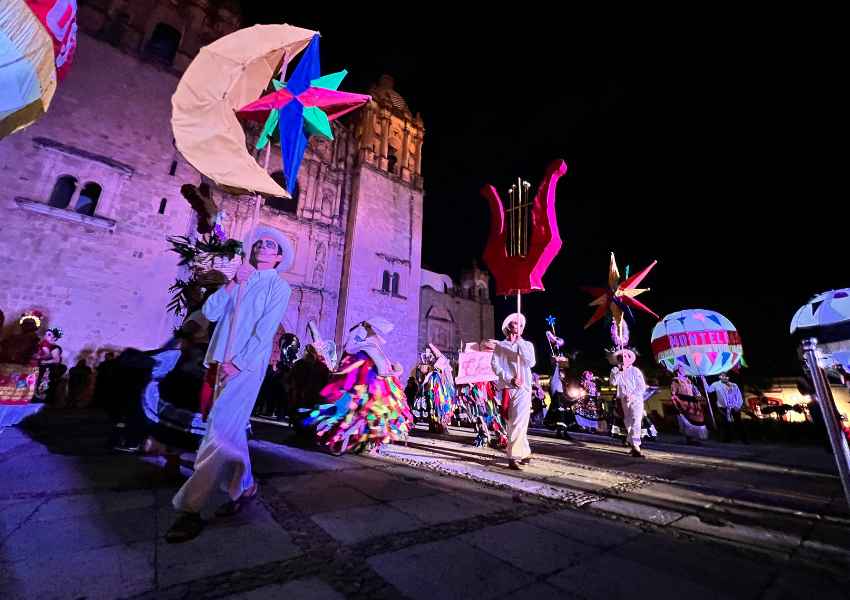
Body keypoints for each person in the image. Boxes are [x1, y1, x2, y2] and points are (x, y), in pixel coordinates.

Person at [167, 226, 292, 543]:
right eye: (260, 243)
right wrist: (233, 283)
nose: (263, 246)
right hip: (217, 361)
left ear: (279, 257)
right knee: (229, 431)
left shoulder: (279, 287)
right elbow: (209, 312)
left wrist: (239, 363)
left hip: (244, 368)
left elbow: (265, 332)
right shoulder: (240, 279)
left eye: (271, 245)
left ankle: (190, 508)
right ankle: (246, 487)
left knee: (218, 431)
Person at [302, 317, 412, 455]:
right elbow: (382, 371)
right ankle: (344, 439)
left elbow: (380, 369)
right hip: (361, 389)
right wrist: (396, 372)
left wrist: (393, 372)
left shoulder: (368, 349)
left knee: (360, 415)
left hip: (365, 390)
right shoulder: (368, 349)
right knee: (354, 414)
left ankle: (351, 440)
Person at [489, 313, 536, 470]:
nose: (519, 326)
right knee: (512, 421)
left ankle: (514, 455)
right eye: (516, 323)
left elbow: (531, 361)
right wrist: (510, 379)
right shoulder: (501, 346)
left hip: (523, 388)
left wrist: (519, 343)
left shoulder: (527, 345)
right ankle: (525, 451)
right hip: (508, 388)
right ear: (508, 326)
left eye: (521, 325)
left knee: (519, 421)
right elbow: (495, 365)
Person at [610, 349, 648, 458]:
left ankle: (636, 445)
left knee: (636, 420)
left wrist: (633, 395)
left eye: (626, 357)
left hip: (636, 399)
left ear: (629, 359)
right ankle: (633, 444)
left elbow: (642, 386)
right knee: (628, 422)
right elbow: (613, 382)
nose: (623, 359)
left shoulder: (635, 370)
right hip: (623, 400)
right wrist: (620, 371)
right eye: (621, 357)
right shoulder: (615, 370)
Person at [670, 364, 708, 444]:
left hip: (692, 402)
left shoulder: (688, 380)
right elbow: (673, 393)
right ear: (677, 371)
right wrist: (677, 403)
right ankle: (690, 439)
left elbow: (694, 390)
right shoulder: (675, 381)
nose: (684, 370)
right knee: (687, 421)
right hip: (683, 403)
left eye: (683, 369)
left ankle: (696, 438)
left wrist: (698, 396)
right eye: (682, 369)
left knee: (696, 420)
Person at [708, 373, 747, 443]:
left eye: (726, 376)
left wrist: (738, 405)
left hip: (734, 406)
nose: (725, 377)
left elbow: (739, 395)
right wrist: (704, 381)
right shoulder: (716, 384)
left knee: (738, 422)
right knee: (725, 423)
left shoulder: (734, 385)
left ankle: (744, 439)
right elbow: (709, 390)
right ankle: (727, 438)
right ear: (720, 377)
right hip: (723, 407)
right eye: (723, 376)